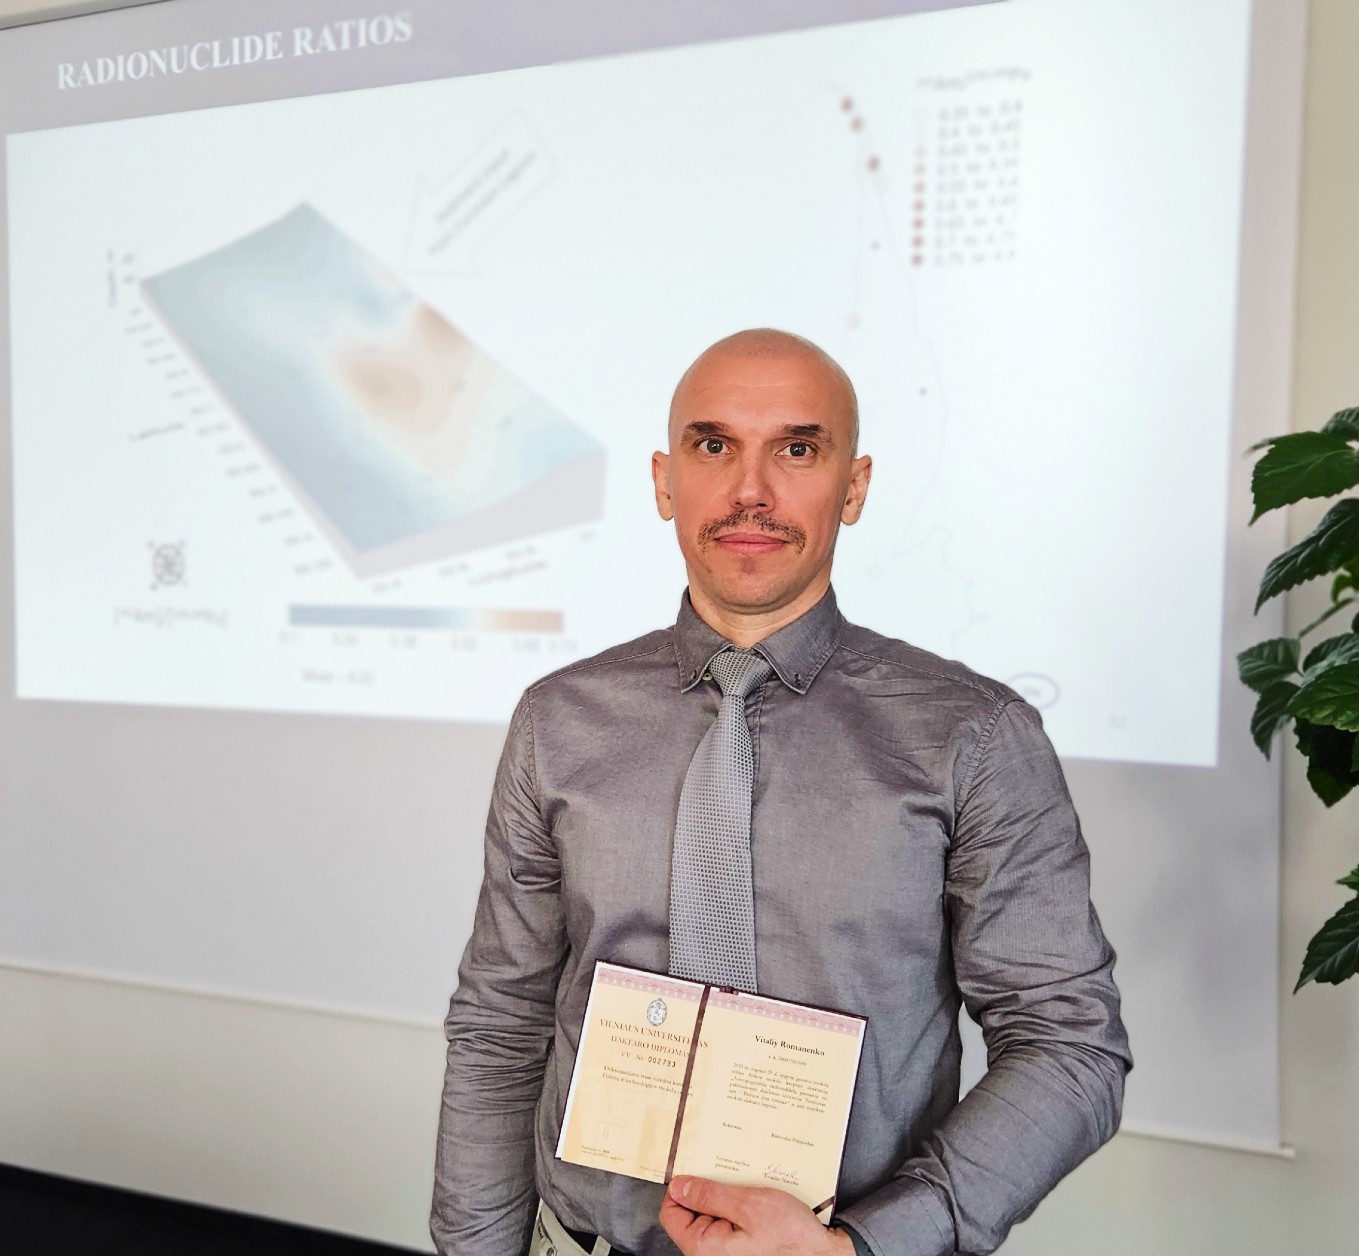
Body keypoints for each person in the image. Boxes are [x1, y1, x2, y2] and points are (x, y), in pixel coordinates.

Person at [431, 329, 1130, 1256]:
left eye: (797, 449)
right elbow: (503, 1019)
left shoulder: (974, 737)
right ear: (664, 481)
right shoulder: (558, 721)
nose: (750, 490)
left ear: (854, 486)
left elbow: (1068, 1045)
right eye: (713, 445)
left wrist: (865, 1247)